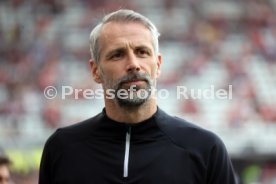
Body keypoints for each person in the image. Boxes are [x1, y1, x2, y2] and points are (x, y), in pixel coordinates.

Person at [39, 9, 237, 184]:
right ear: (95, 70)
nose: (133, 63)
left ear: (157, 65)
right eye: (117, 54)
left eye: (142, 52)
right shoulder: (62, 149)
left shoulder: (205, 149)